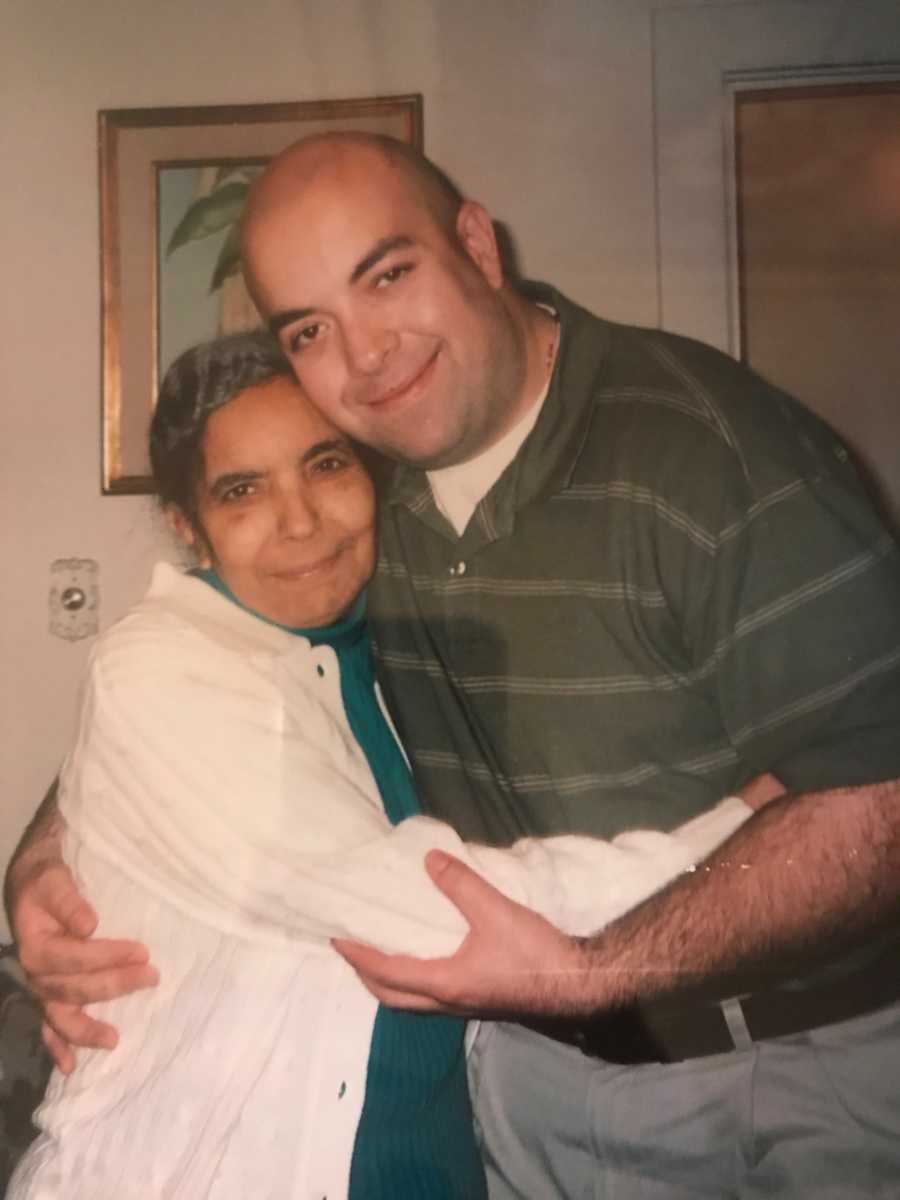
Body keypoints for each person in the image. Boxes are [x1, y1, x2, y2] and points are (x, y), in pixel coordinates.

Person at [8, 133, 900, 1196]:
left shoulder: (715, 453)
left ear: (477, 244)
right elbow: (201, 703)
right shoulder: (373, 487)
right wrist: (46, 861)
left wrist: (597, 969)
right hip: (522, 1092)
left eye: (389, 275)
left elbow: (881, 798)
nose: (369, 355)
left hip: (779, 1080)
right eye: (312, 329)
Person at [7, 332, 759, 1199]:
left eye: (325, 466)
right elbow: (434, 913)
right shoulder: (158, 666)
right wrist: (754, 830)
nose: (300, 520)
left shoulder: (388, 646)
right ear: (189, 526)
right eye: (242, 491)